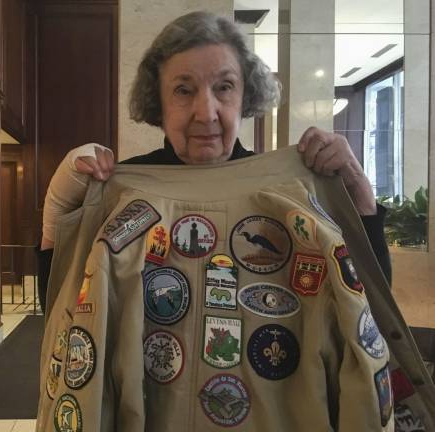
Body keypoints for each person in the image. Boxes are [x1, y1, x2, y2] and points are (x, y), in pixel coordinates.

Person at [36, 11, 412, 432]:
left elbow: (366, 311)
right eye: (183, 90)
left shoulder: (291, 194)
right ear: (157, 102)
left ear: (245, 96)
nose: (206, 111)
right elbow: (67, 320)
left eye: (224, 87)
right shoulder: (121, 193)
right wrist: (58, 219)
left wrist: (357, 191)